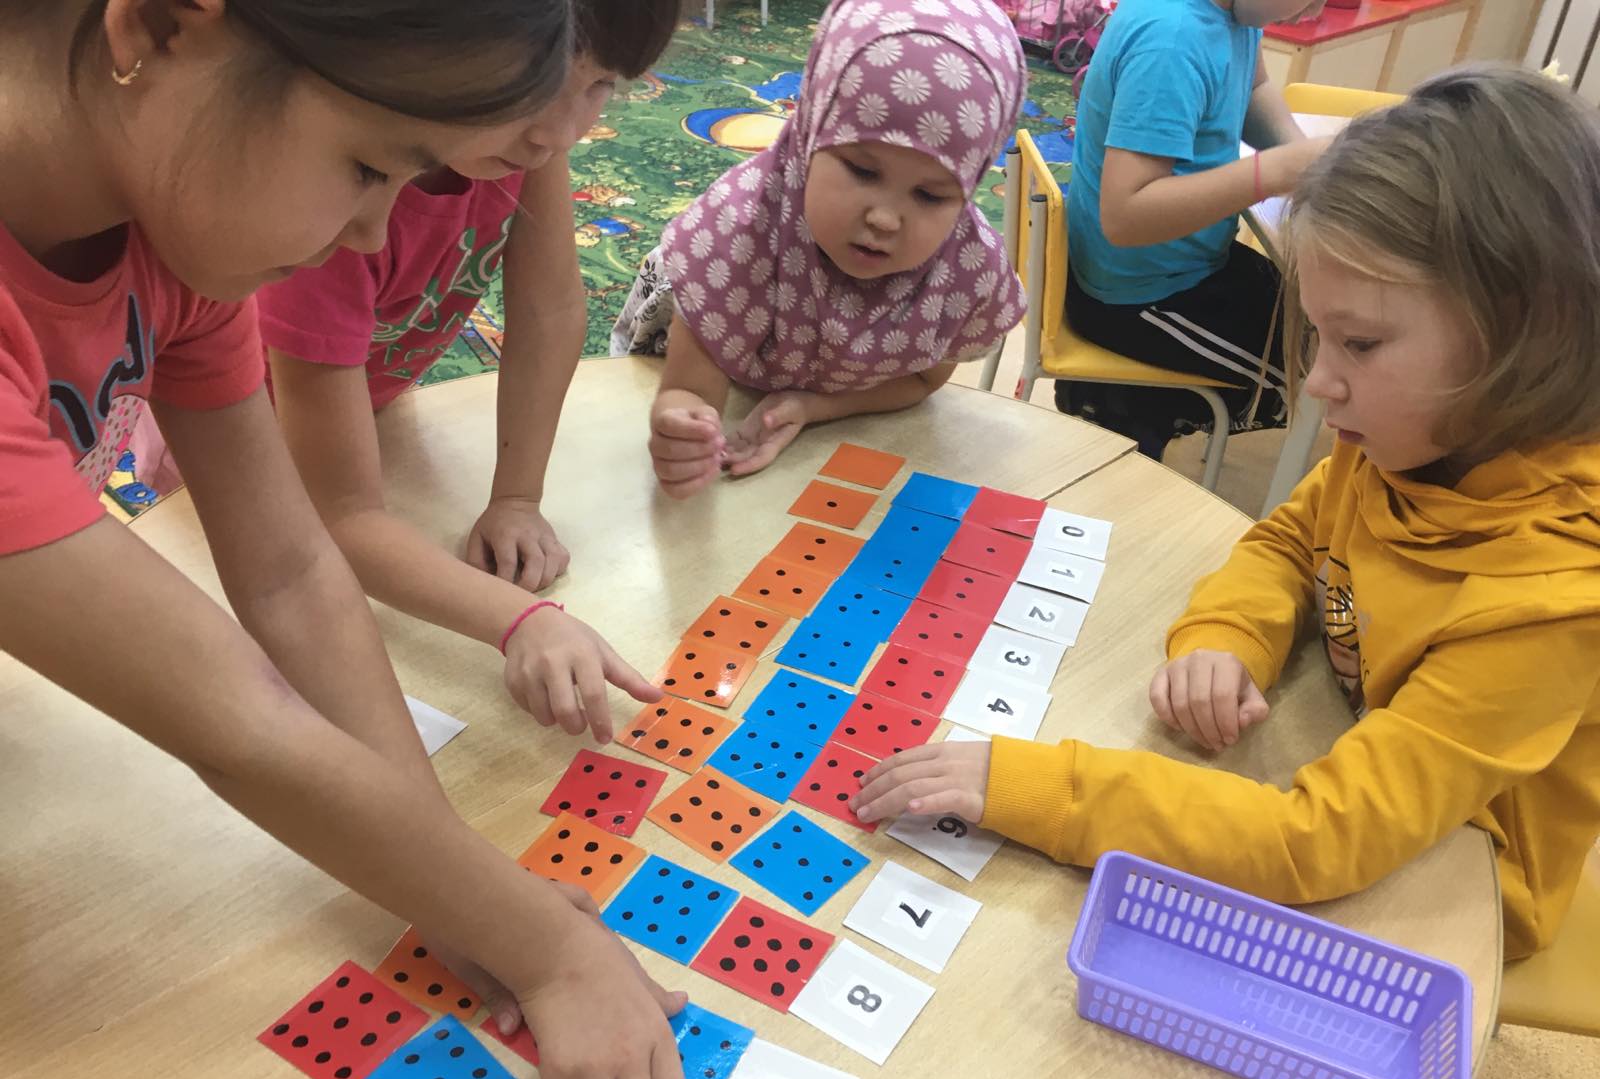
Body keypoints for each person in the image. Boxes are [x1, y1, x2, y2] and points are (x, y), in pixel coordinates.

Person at [0, 0, 687, 1079]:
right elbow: (236, 721)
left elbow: (287, 570)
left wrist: (447, 884)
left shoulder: (167, 221)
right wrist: (551, 951)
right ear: (159, 25)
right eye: (368, 167)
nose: (373, 237)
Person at [854, 65, 1600, 960]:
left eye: (1360, 343)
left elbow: (1318, 842)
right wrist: (1228, 634)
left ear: (1524, 338)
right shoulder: (1416, 435)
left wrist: (1042, 789)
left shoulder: (1554, 602)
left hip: (1452, 895)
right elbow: (1290, 537)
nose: (1319, 381)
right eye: (1319, 334)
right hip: (1343, 770)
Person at [262, 1, 682, 741]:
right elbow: (340, 518)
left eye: (601, 86)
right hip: (247, 449)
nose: (560, 132)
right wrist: (517, 619)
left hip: (376, 410)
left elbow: (551, 312)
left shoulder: (519, 143)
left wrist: (517, 496)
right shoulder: (327, 199)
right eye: (543, 80)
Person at [620, 0, 1028, 497]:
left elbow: (924, 380)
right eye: (862, 170)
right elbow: (687, 392)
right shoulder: (736, 230)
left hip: (814, 390)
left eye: (930, 195)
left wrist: (814, 406)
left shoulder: (966, 271)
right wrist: (681, 426)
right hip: (682, 344)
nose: (884, 219)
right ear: (808, 134)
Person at [1057, 0, 1330, 460]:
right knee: (1321, 375)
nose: (1315, 11)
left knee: (1325, 323)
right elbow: (1125, 217)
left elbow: (1253, 85)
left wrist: (1306, 161)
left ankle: (1132, 403)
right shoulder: (1173, 40)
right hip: (1140, 297)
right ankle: (1128, 406)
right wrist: (1273, 171)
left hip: (1185, 263)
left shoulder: (1233, 14)